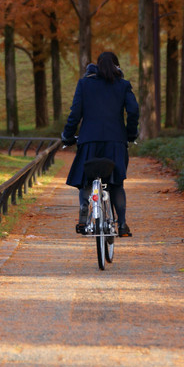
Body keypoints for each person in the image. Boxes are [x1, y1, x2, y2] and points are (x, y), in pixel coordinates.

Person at [61, 51, 139, 237]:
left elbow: (75, 113)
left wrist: (68, 135)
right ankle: (122, 225)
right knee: (117, 184)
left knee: (87, 180)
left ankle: (83, 212)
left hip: (89, 141)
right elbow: (134, 110)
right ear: (117, 66)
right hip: (115, 142)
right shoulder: (123, 85)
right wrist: (130, 133)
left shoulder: (84, 84)